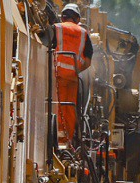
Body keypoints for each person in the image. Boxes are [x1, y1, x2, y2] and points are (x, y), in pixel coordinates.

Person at [51, 3, 94, 146]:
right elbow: (88, 61)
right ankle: (66, 141)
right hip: (73, 77)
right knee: (69, 109)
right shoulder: (84, 33)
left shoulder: (56, 28)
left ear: (63, 16)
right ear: (77, 18)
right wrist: (75, 70)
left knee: (57, 107)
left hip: (56, 75)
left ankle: (56, 138)